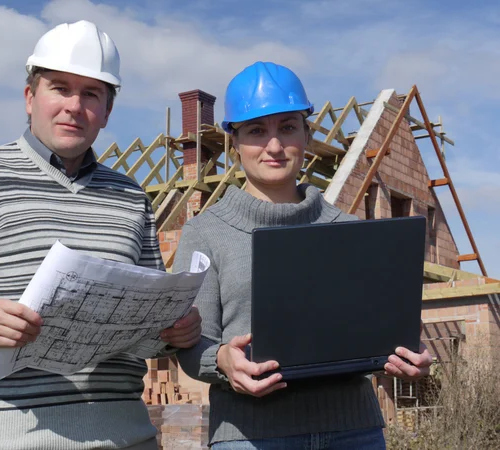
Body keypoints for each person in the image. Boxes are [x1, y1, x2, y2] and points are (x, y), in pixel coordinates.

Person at [0, 20, 201, 450]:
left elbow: (147, 331)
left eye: (91, 93)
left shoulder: (131, 197)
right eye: (60, 88)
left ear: (107, 111)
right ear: (30, 97)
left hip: (129, 439)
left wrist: (173, 333)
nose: (74, 106)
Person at [174, 61, 433, 450]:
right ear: (234, 142)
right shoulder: (204, 233)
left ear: (306, 135)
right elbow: (191, 344)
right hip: (250, 437)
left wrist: (412, 356)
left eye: (288, 127)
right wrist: (222, 361)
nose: (274, 146)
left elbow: (384, 331)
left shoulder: (350, 230)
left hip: (354, 433)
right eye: (257, 131)